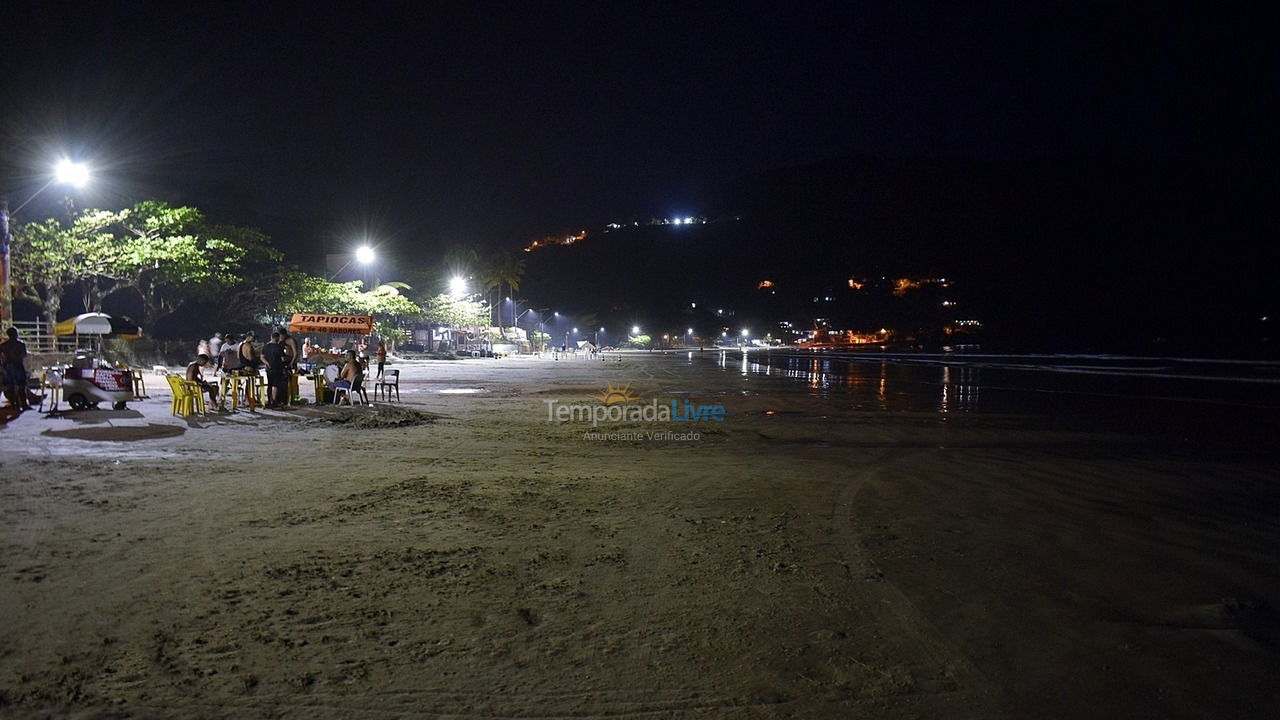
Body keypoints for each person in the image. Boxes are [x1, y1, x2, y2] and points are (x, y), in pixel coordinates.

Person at [1, 327, 31, 410]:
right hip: (18, 365)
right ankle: (24, 405)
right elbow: (24, 355)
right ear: (16, 334)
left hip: (8, 366)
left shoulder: (3, 345)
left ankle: (14, 404)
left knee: (10, 386)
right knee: (21, 386)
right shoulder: (21, 344)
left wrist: (3, 365)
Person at [261, 331, 288, 408]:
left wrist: (267, 363)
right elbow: (283, 359)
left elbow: (262, 357)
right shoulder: (279, 347)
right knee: (275, 385)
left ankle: (269, 400)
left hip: (268, 369)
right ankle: (274, 401)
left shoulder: (265, 346)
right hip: (277, 368)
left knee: (269, 384)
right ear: (277, 338)